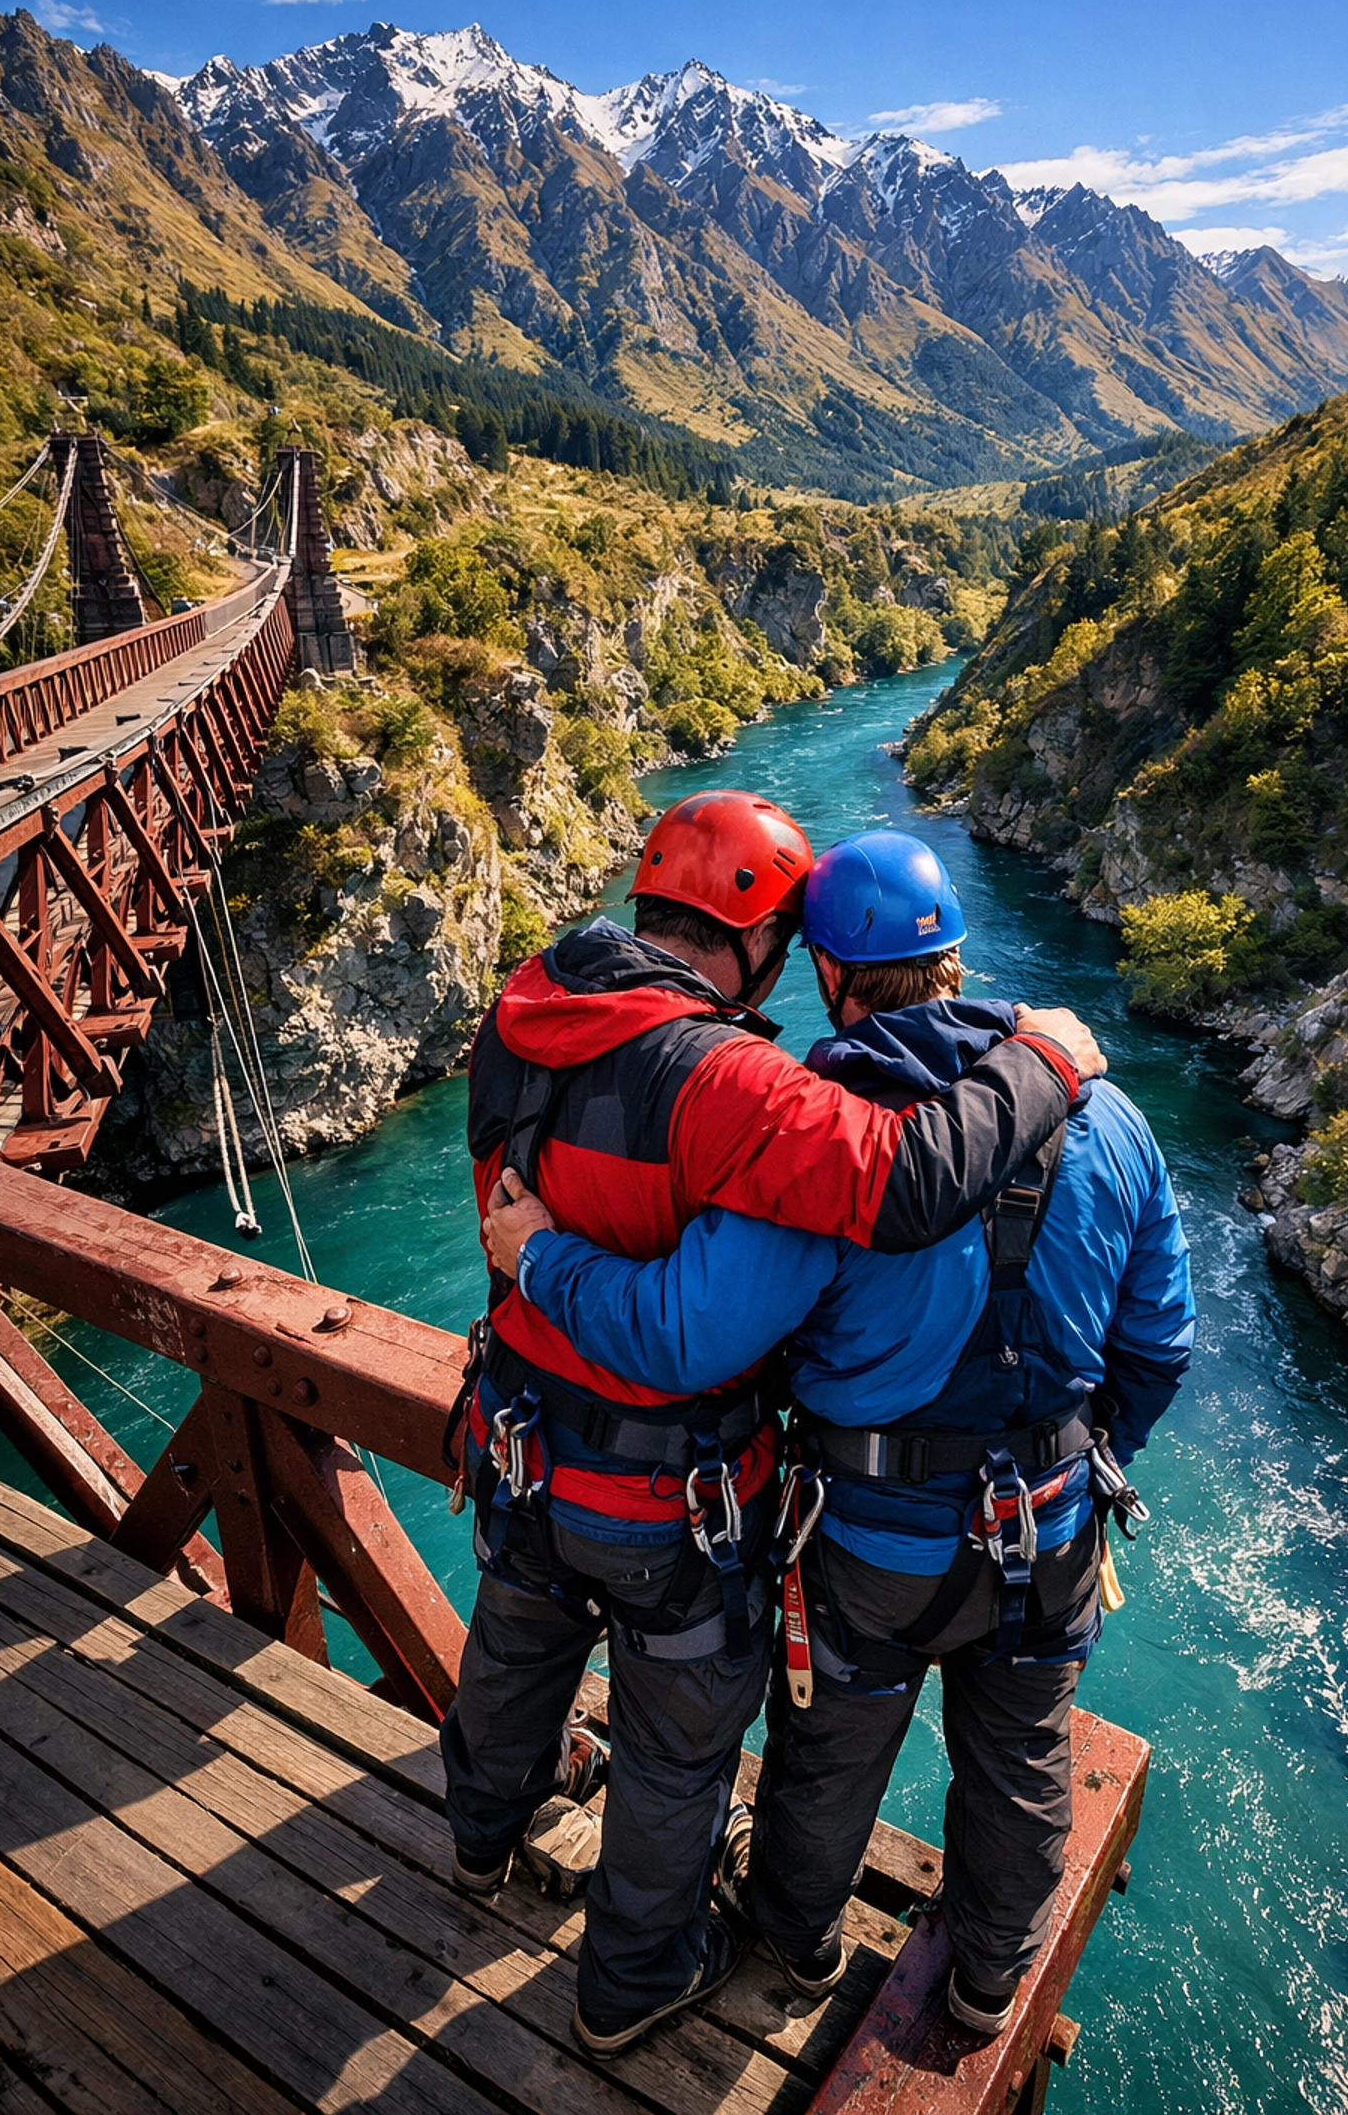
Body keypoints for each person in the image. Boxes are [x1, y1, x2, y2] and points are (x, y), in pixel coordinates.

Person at [483, 829, 1192, 2040]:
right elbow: (1158, 1338)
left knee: (830, 1752)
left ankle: (798, 1943)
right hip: (1055, 1520)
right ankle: (983, 1986)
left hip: (872, 1537)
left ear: (826, 974)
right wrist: (1073, 1447)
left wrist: (547, 1256)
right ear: (957, 961)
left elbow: (722, 1334)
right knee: (1021, 1755)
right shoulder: (1112, 1117)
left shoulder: (819, 1133)